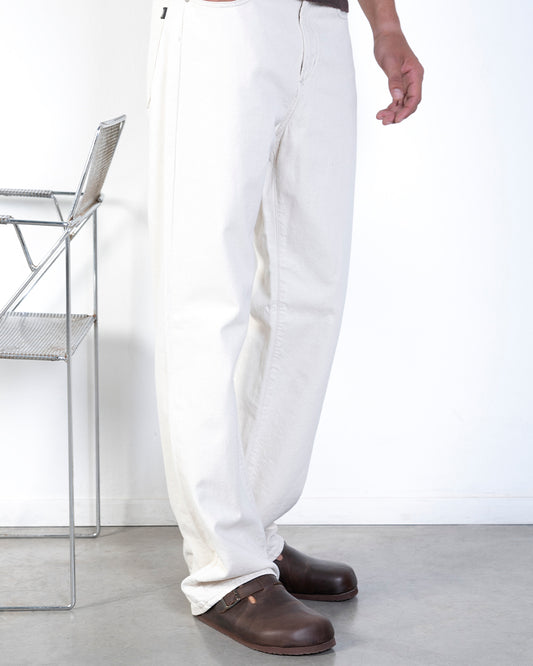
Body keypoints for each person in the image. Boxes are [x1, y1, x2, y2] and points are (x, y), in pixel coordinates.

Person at [146, 0, 423, 656]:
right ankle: (225, 569)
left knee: (309, 292)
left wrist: (385, 25)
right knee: (204, 296)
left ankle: (254, 532)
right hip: (224, 20)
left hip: (322, 22)